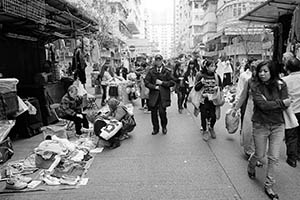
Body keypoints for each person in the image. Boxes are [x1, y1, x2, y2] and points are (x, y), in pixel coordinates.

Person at [247, 61, 291, 200]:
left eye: (265, 71)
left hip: (278, 125)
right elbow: (263, 105)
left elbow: (285, 104)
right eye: (260, 71)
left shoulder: (281, 84)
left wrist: (279, 104)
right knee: (260, 155)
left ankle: (269, 186)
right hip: (260, 124)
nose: (262, 74)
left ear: (272, 71)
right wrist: (281, 103)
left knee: (273, 157)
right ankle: (251, 165)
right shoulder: (255, 85)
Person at [145, 54, 175, 135]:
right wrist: (154, 87)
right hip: (153, 95)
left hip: (163, 95)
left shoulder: (167, 71)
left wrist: (162, 83)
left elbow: (172, 82)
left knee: (162, 112)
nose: (158, 62)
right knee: (153, 113)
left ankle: (164, 127)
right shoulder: (151, 71)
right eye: (157, 60)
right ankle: (155, 128)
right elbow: (146, 82)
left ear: (162, 61)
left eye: (159, 60)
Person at [194, 59, 222, 141]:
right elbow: (196, 88)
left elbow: (221, 86)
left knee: (213, 116)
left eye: (214, 66)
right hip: (204, 99)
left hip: (213, 100)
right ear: (206, 67)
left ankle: (211, 127)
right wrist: (201, 83)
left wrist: (218, 88)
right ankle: (205, 131)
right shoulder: (201, 75)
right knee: (203, 115)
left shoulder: (217, 76)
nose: (213, 68)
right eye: (211, 66)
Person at [282, 57, 300, 168]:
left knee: (292, 135)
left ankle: (292, 159)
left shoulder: (285, 80)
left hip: (292, 111)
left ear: (288, 69)